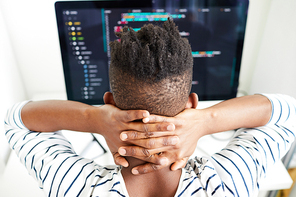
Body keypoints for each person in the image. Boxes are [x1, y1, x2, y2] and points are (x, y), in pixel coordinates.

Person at [4, 18, 296, 197]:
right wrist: (207, 121)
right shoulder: (229, 183)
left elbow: (14, 119)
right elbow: (287, 113)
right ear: (192, 104)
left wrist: (92, 119)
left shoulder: (75, 186)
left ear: (108, 102)